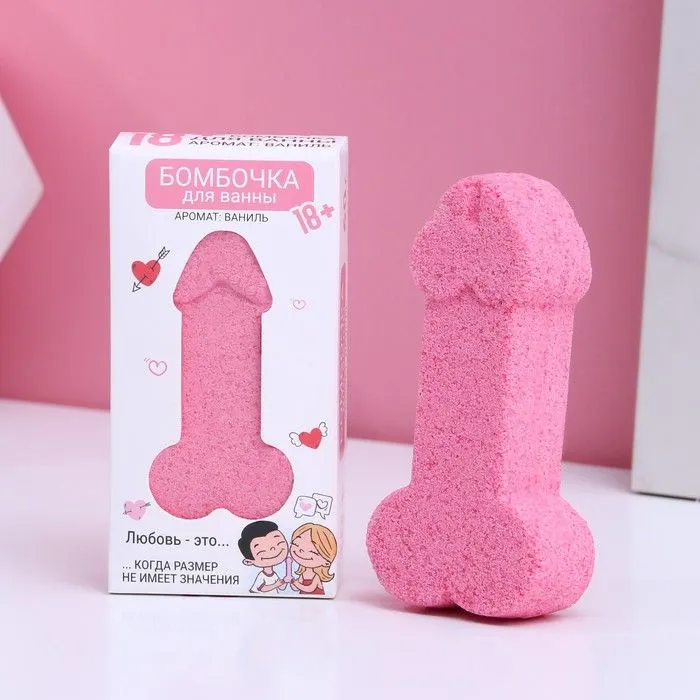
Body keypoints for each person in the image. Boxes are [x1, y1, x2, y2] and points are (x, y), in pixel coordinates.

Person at [238, 520, 289, 594]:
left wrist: (285, 580)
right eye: (262, 551)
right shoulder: (261, 576)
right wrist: (276, 585)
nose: (273, 549)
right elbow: (262, 589)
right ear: (249, 561)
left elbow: (282, 588)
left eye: (279, 543)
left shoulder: (274, 574)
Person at [289, 522, 337, 595]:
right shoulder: (303, 575)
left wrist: (295, 583)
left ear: (326, 563)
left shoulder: (316, 576)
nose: (301, 550)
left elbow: (310, 589)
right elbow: (295, 588)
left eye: (312, 551)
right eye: (296, 544)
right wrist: (291, 581)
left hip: (316, 600)